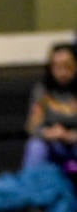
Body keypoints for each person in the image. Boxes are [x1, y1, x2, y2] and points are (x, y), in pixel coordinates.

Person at [22, 42, 77, 173]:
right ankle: (31, 188)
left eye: (67, 66)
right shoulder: (42, 90)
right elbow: (32, 126)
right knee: (35, 146)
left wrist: (69, 136)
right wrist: (50, 133)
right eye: (57, 67)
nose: (62, 72)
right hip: (52, 144)